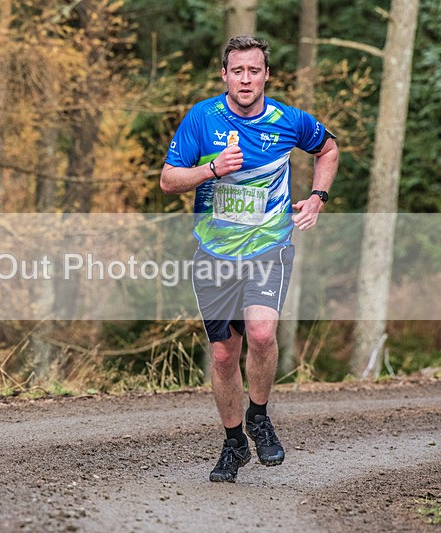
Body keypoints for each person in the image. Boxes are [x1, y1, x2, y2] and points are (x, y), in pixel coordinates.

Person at [160, 36, 339, 482]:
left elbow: (329, 148)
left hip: (268, 247)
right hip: (214, 252)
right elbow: (168, 180)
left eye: (254, 71)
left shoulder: (287, 120)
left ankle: (258, 416)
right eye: (237, 71)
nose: (246, 79)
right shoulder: (201, 119)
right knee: (224, 355)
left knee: (261, 334)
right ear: (224, 75)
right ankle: (234, 442)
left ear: (265, 75)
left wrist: (318, 197)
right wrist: (212, 169)